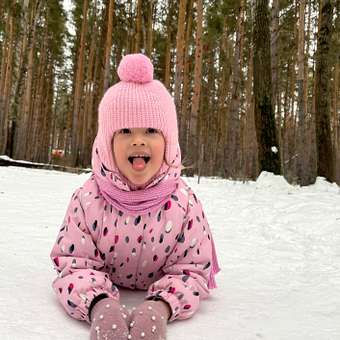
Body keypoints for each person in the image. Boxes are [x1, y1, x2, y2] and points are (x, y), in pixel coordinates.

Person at [50, 53, 220, 340]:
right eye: (125, 131)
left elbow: (192, 270)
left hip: (159, 297)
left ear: (168, 142)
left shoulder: (184, 204)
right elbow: (74, 263)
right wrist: (99, 305)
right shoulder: (87, 200)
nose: (138, 140)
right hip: (102, 293)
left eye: (151, 131)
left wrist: (160, 308)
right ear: (107, 143)